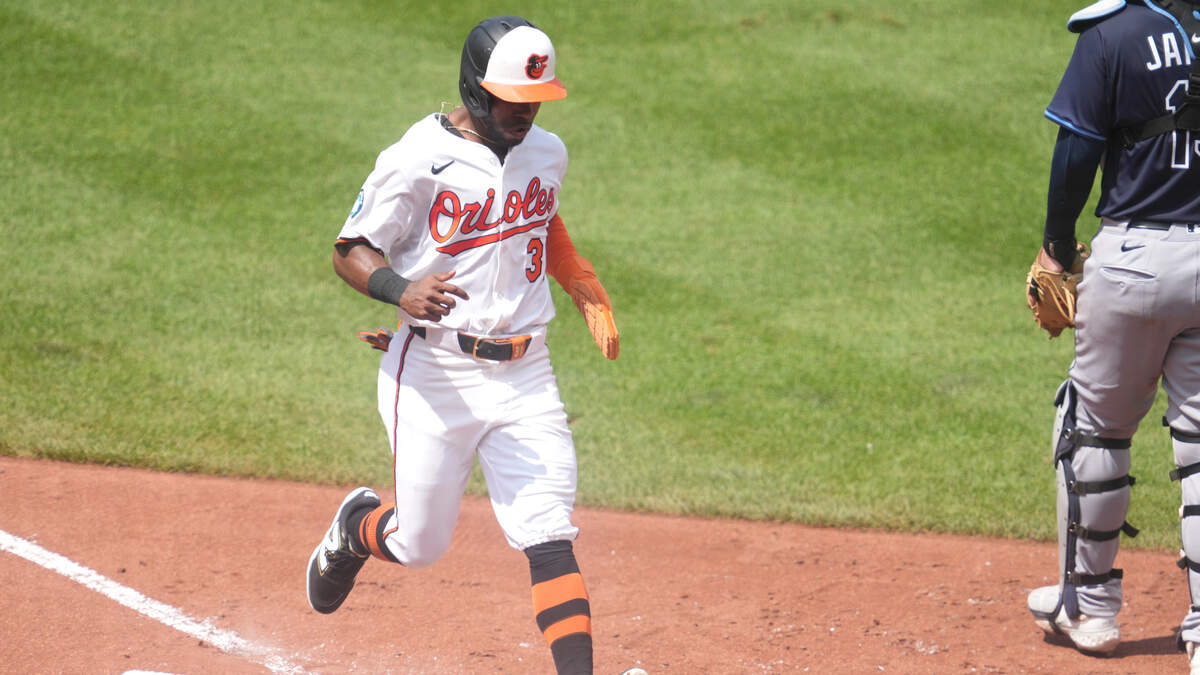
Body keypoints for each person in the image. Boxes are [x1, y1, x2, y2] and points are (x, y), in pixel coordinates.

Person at [305, 16, 623, 675]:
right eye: (512, 100)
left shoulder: (547, 151)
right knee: (419, 544)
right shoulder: (417, 157)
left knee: (548, 531)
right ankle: (356, 528)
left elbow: (540, 216)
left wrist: (578, 278)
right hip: (435, 372)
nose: (526, 112)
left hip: (527, 373)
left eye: (535, 100)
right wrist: (399, 289)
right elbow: (350, 248)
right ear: (477, 90)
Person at [1024, 0, 1200, 668]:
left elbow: (1077, 151)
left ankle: (1091, 608)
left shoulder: (1114, 34)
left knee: (1094, 427)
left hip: (1134, 264)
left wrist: (1054, 248)